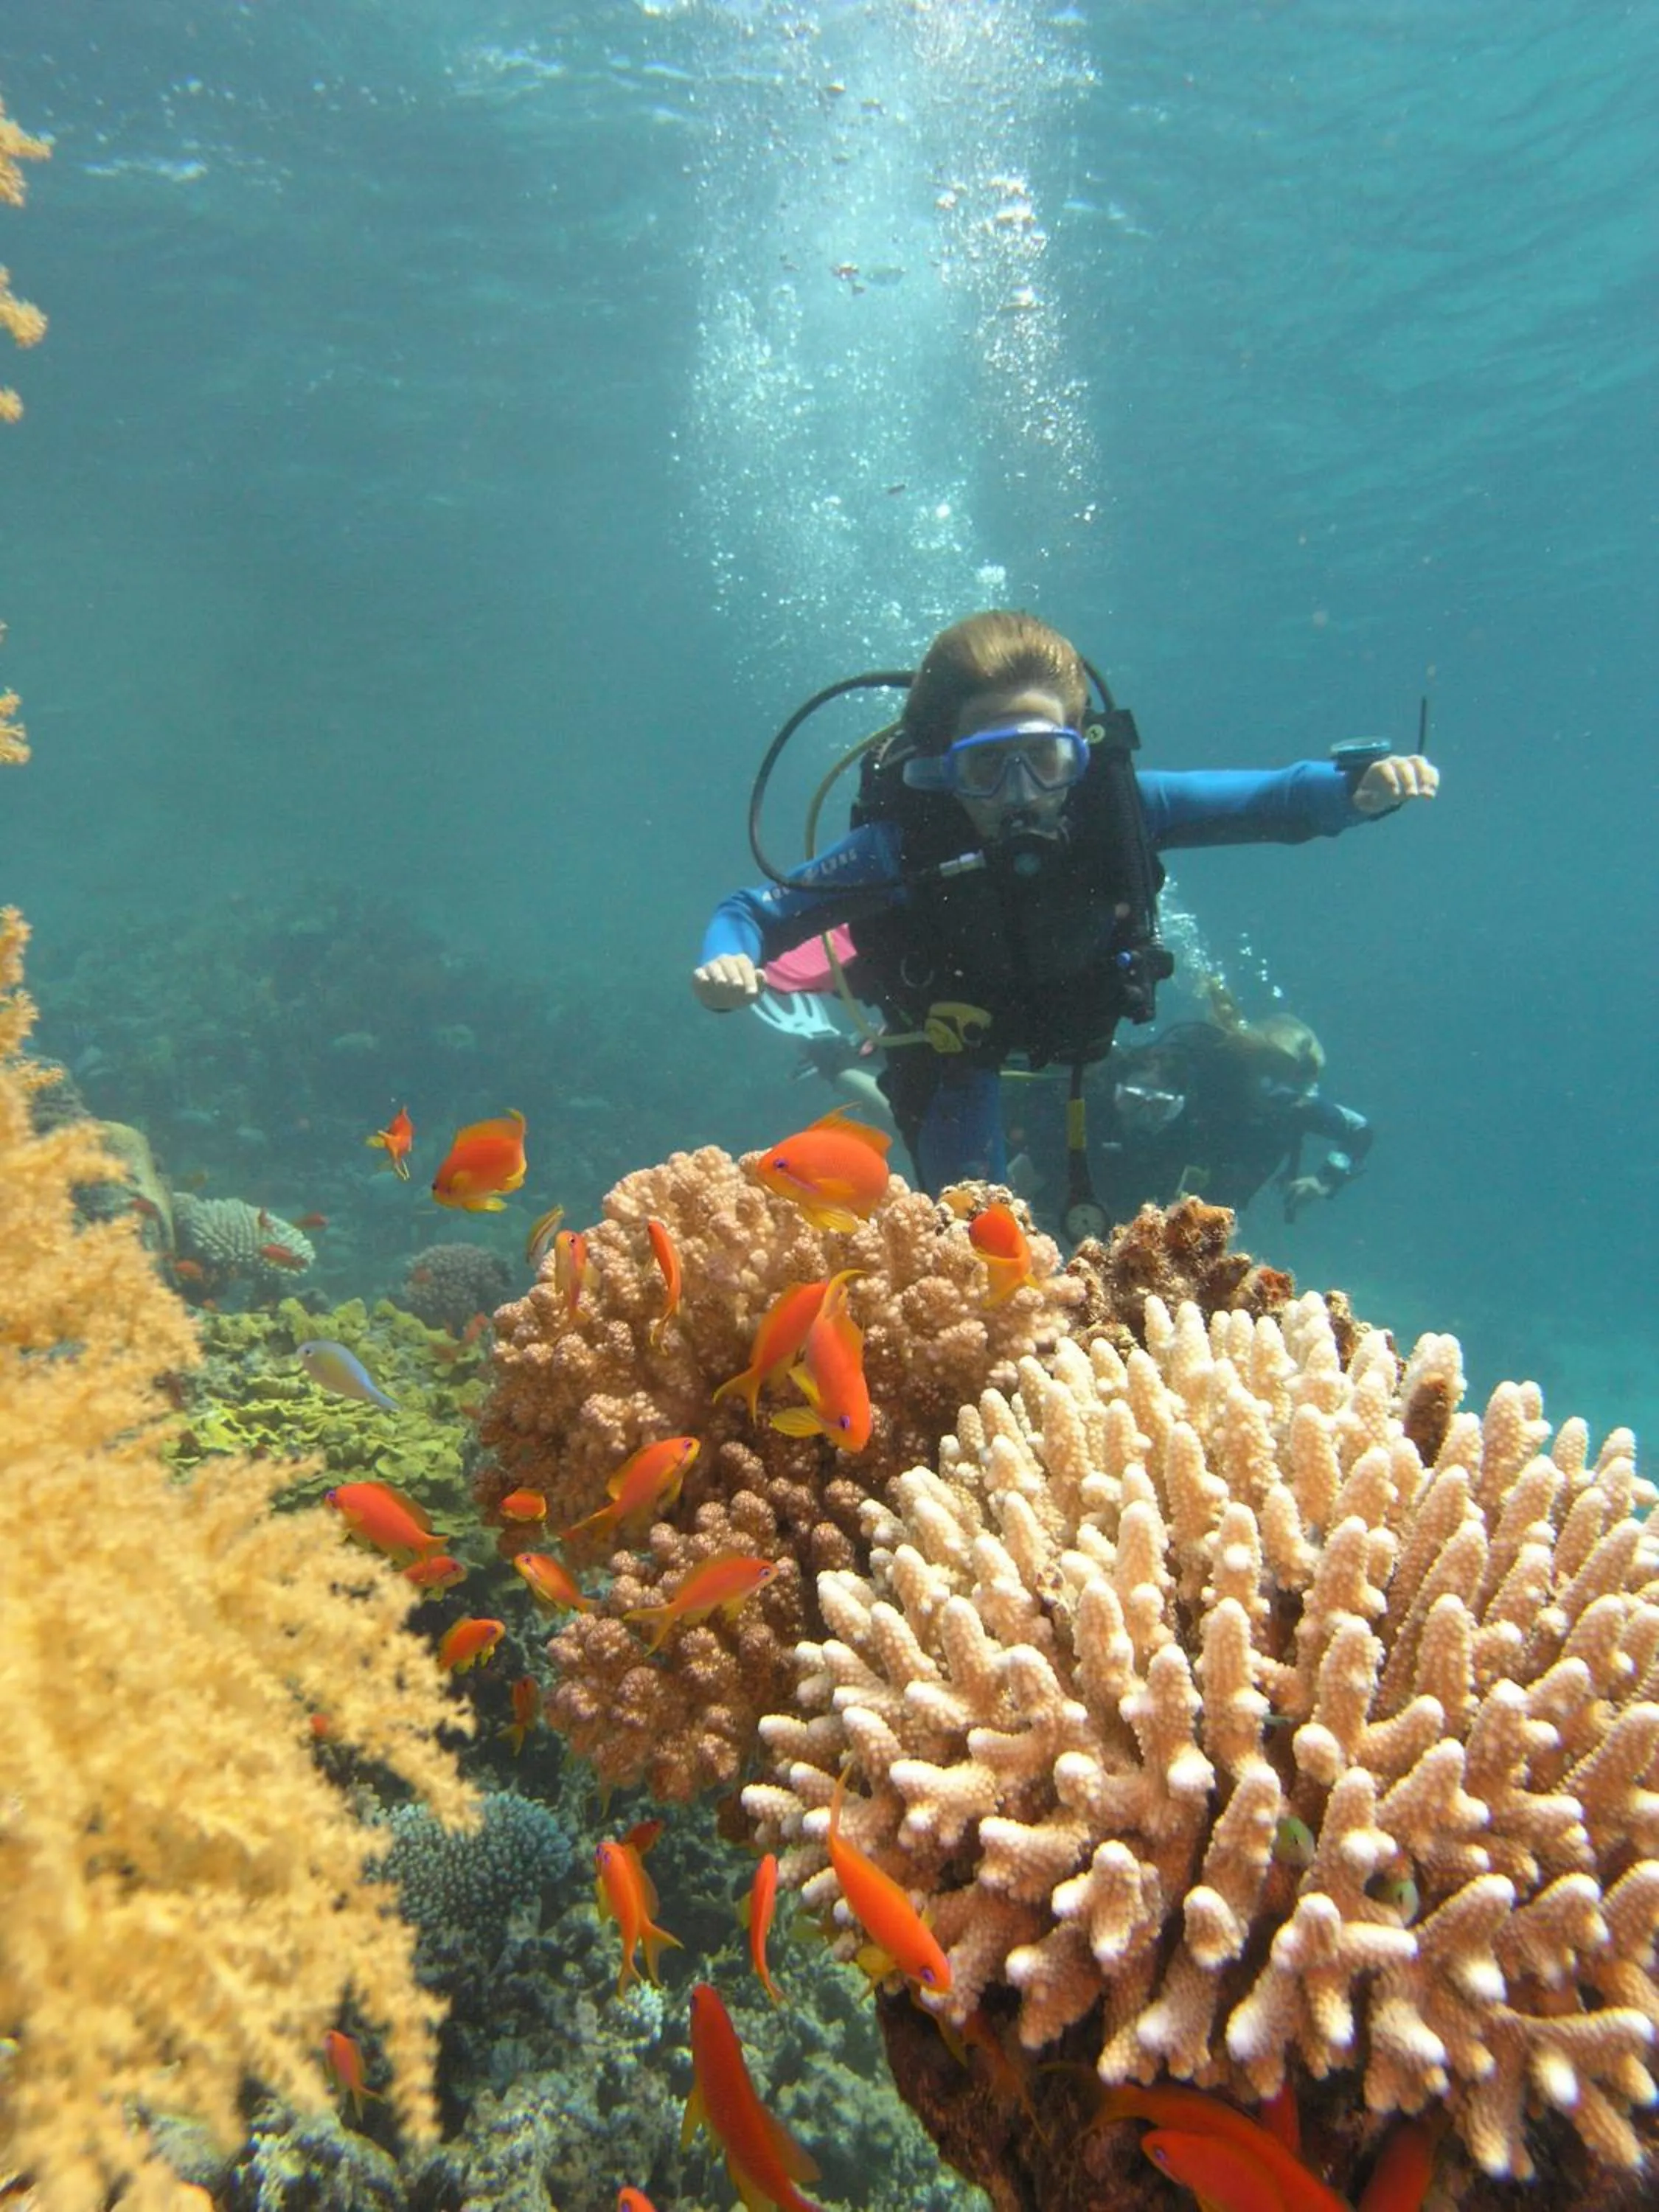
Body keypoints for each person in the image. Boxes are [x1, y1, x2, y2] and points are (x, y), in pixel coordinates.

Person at [692, 611, 1437, 1206]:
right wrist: (725, 955)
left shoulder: (1124, 810)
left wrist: (1358, 792)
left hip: (1078, 1040)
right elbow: (754, 912)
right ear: (940, 768)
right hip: (957, 1051)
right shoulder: (898, 847)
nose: (1019, 793)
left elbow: (1275, 800)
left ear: (1081, 748)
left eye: (1044, 760)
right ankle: (834, 1029)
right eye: (985, 765)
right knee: (975, 1235)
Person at [1094, 994, 1374, 1225]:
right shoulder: (1206, 1079)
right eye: (1271, 1083)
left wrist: (1324, 1179)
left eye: (1297, 1090)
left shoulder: (1296, 1106)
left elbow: (1359, 1131)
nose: (1283, 1098)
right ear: (1251, 1067)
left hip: (1208, 1215)